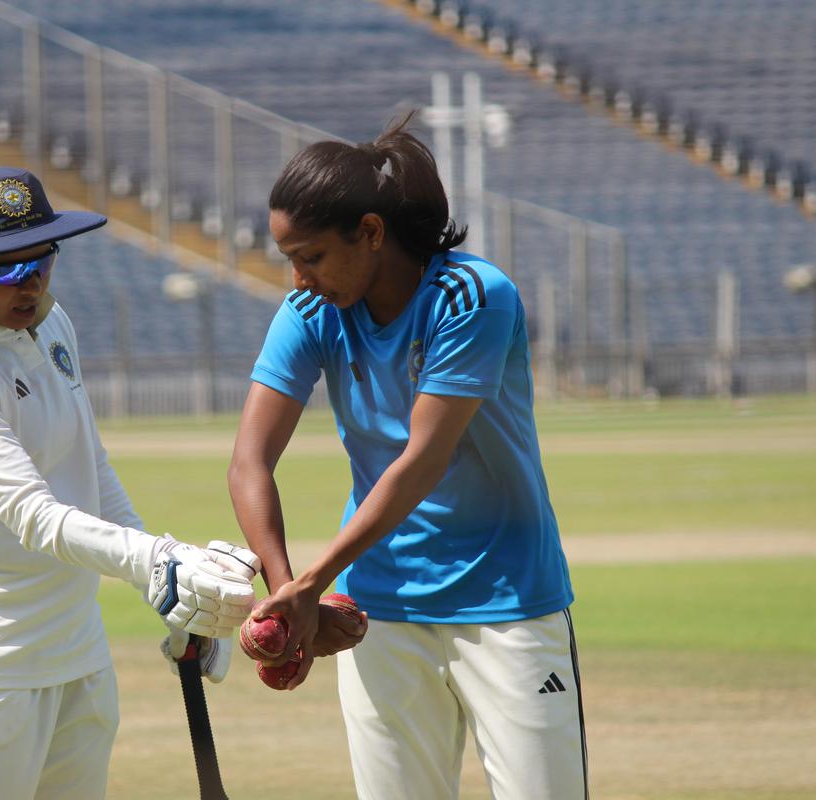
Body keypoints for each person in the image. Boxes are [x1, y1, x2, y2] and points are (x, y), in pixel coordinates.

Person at [227, 114, 587, 800]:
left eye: (311, 257)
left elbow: (422, 462)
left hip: (506, 602)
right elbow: (249, 462)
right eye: (289, 262)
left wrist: (314, 579)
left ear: (370, 232)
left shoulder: (471, 297)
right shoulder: (310, 313)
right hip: (378, 615)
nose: (298, 279)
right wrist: (289, 598)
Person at [0, 166, 262, 800]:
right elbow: (34, 515)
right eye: (8, 270)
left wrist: (159, 581)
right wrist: (159, 560)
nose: (31, 283)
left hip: (76, 649)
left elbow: (91, 467)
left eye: (43, 260)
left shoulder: (52, 325)